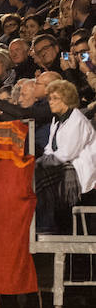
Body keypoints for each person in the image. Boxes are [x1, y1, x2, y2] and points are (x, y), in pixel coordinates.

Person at [34, 80, 96, 233]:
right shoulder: (57, 120)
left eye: (55, 98)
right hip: (62, 164)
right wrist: (42, 161)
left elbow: (67, 153)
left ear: (67, 99)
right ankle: (42, 223)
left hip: (77, 171)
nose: (51, 102)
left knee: (40, 174)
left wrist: (42, 162)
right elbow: (50, 148)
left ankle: (46, 226)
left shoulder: (77, 120)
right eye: (50, 98)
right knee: (35, 172)